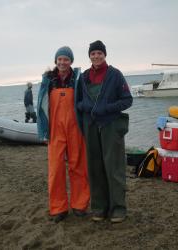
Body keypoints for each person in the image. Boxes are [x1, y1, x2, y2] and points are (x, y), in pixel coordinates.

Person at [76, 40, 133, 223]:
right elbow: (77, 102)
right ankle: (99, 208)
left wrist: (107, 107)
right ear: (89, 56)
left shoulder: (115, 75)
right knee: (94, 168)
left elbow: (127, 100)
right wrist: (86, 105)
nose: (96, 56)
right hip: (90, 126)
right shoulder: (83, 77)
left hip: (111, 125)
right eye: (93, 54)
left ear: (104, 55)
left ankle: (118, 208)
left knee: (114, 168)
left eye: (99, 53)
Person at [37, 46, 90, 223]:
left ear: (71, 61)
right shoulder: (48, 80)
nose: (62, 62)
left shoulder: (77, 79)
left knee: (78, 166)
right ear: (55, 61)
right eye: (60, 59)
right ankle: (59, 208)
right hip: (54, 130)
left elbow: (84, 102)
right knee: (55, 169)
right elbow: (41, 108)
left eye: (66, 59)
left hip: (75, 129)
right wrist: (43, 133)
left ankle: (79, 205)